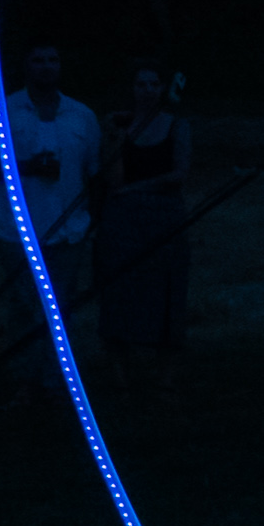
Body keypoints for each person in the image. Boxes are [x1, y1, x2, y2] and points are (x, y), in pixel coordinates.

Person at [0, 40, 103, 395]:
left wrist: (92, 219)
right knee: (25, 304)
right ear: (26, 66)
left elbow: (95, 171)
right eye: (38, 60)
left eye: (53, 60)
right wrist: (27, 167)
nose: (46, 66)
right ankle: (24, 378)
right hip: (16, 229)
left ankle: (55, 380)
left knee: (60, 305)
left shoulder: (81, 115)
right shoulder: (3, 111)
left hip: (69, 229)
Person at [93, 59, 192, 390]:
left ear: (163, 88)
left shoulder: (176, 125)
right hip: (122, 220)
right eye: (141, 84)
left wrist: (136, 188)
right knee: (119, 291)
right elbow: (113, 178)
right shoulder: (121, 125)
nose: (148, 90)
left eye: (153, 84)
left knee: (167, 292)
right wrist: (113, 136)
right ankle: (121, 377)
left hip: (164, 216)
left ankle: (165, 379)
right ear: (132, 89)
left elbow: (179, 173)